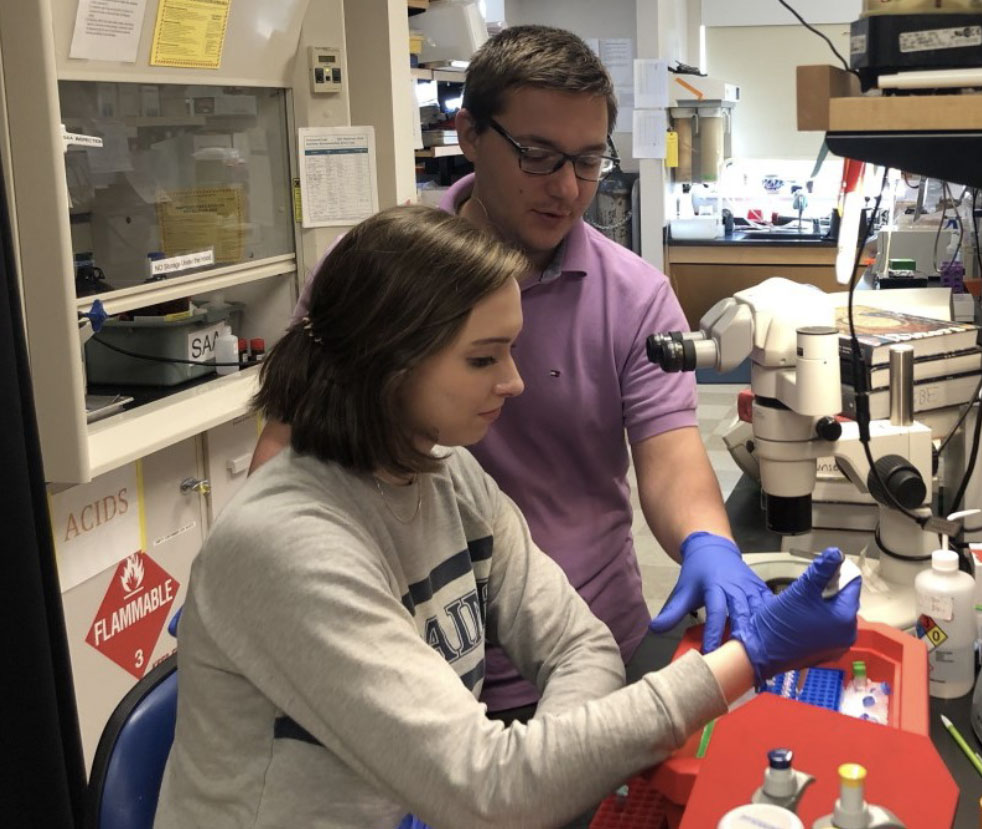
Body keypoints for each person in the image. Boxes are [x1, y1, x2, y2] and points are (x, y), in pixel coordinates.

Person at [154, 205, 861, 828]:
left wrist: (533, 779)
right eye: (484, 357)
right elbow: (490, 791)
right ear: (387, 363)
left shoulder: (442, 470)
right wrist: (746, 658)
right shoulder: (288, 546)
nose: (515, 381)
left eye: (512, 349)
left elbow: (579, 646)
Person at [251, 25, 768, 720]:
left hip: (581, 647)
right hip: (401, 659)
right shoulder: (376, 270)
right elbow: (291, 443)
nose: (566, 188)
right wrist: (256, 560)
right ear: (468, 132)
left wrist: (710, 542)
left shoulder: (635, 295)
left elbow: (672, 460)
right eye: (538, 155)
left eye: (588, 162)